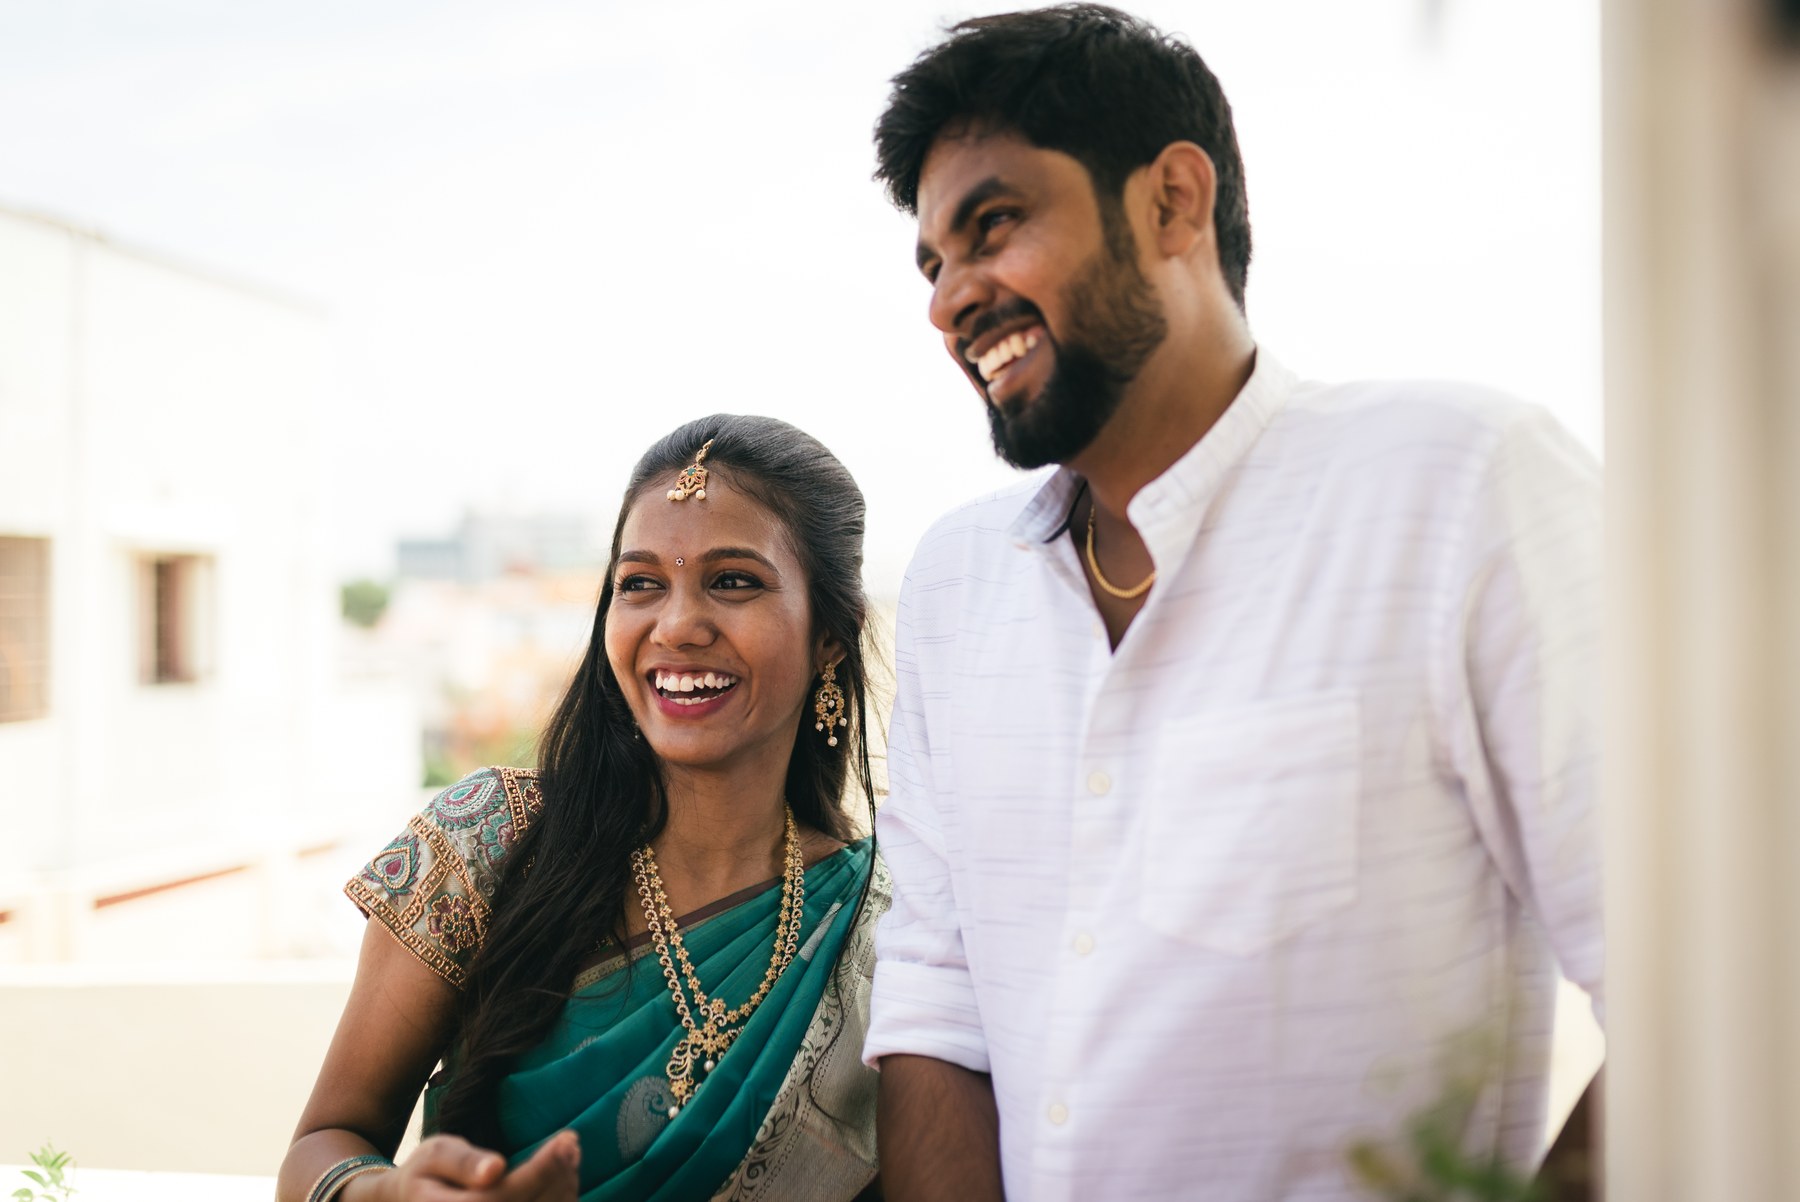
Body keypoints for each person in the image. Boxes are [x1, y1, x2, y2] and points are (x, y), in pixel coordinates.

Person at [860, 6, 1603, 1200]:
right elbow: (939, 1000)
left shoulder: (1461, 486)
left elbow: (1702, 966)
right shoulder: (952, 586)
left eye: (992, 225)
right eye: (935, 262)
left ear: (1172, 203)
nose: (952, 298)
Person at [279, 415, 886, 1202]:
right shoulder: (488, 842)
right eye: (639, 584)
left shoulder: (885, 929)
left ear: (832, 634)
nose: (675, 626)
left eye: (733, 580)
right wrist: (384, 1194)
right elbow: (326, 1142)